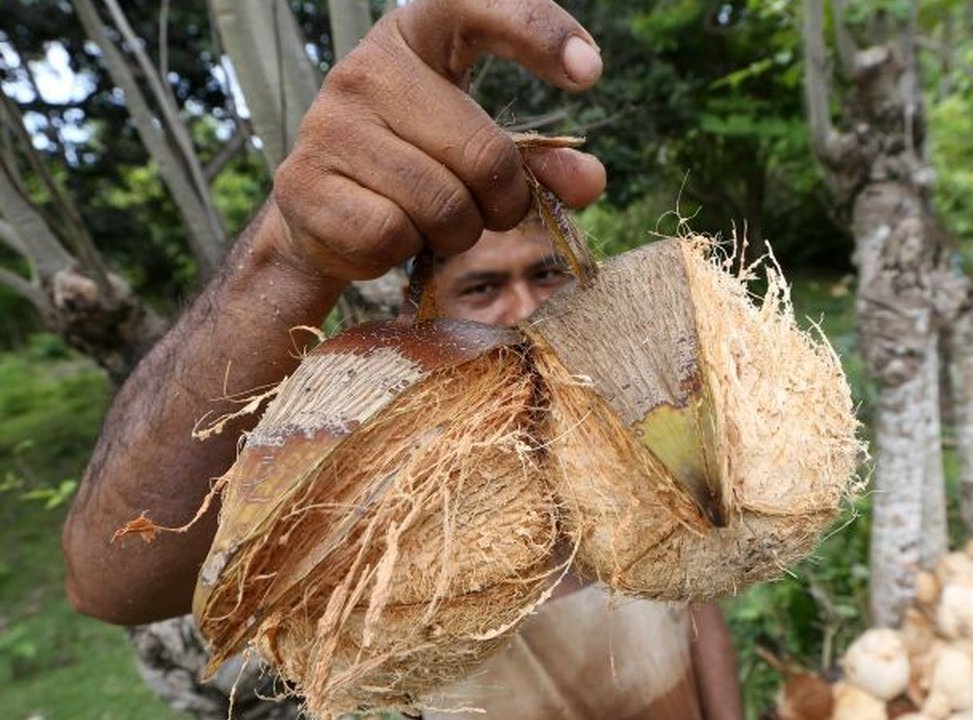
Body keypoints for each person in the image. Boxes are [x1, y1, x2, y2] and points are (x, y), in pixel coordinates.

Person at [60, 1, 743, 718]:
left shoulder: (633, 423)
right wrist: (287, 257)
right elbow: (111, 581)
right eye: (482, 287)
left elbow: (695, 598)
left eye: (545, 274)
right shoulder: (382, 475)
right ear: (424, 314)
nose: (523, 308)